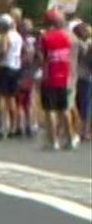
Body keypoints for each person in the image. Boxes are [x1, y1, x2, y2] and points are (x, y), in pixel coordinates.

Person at [38, 9, 77, 150]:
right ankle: (70, 138)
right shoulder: (65, 37)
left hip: (49, 77)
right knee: (64, 109)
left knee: (50, 110)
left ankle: (53, 141)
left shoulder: (45, 37)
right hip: (64, 76)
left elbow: (41, 59)